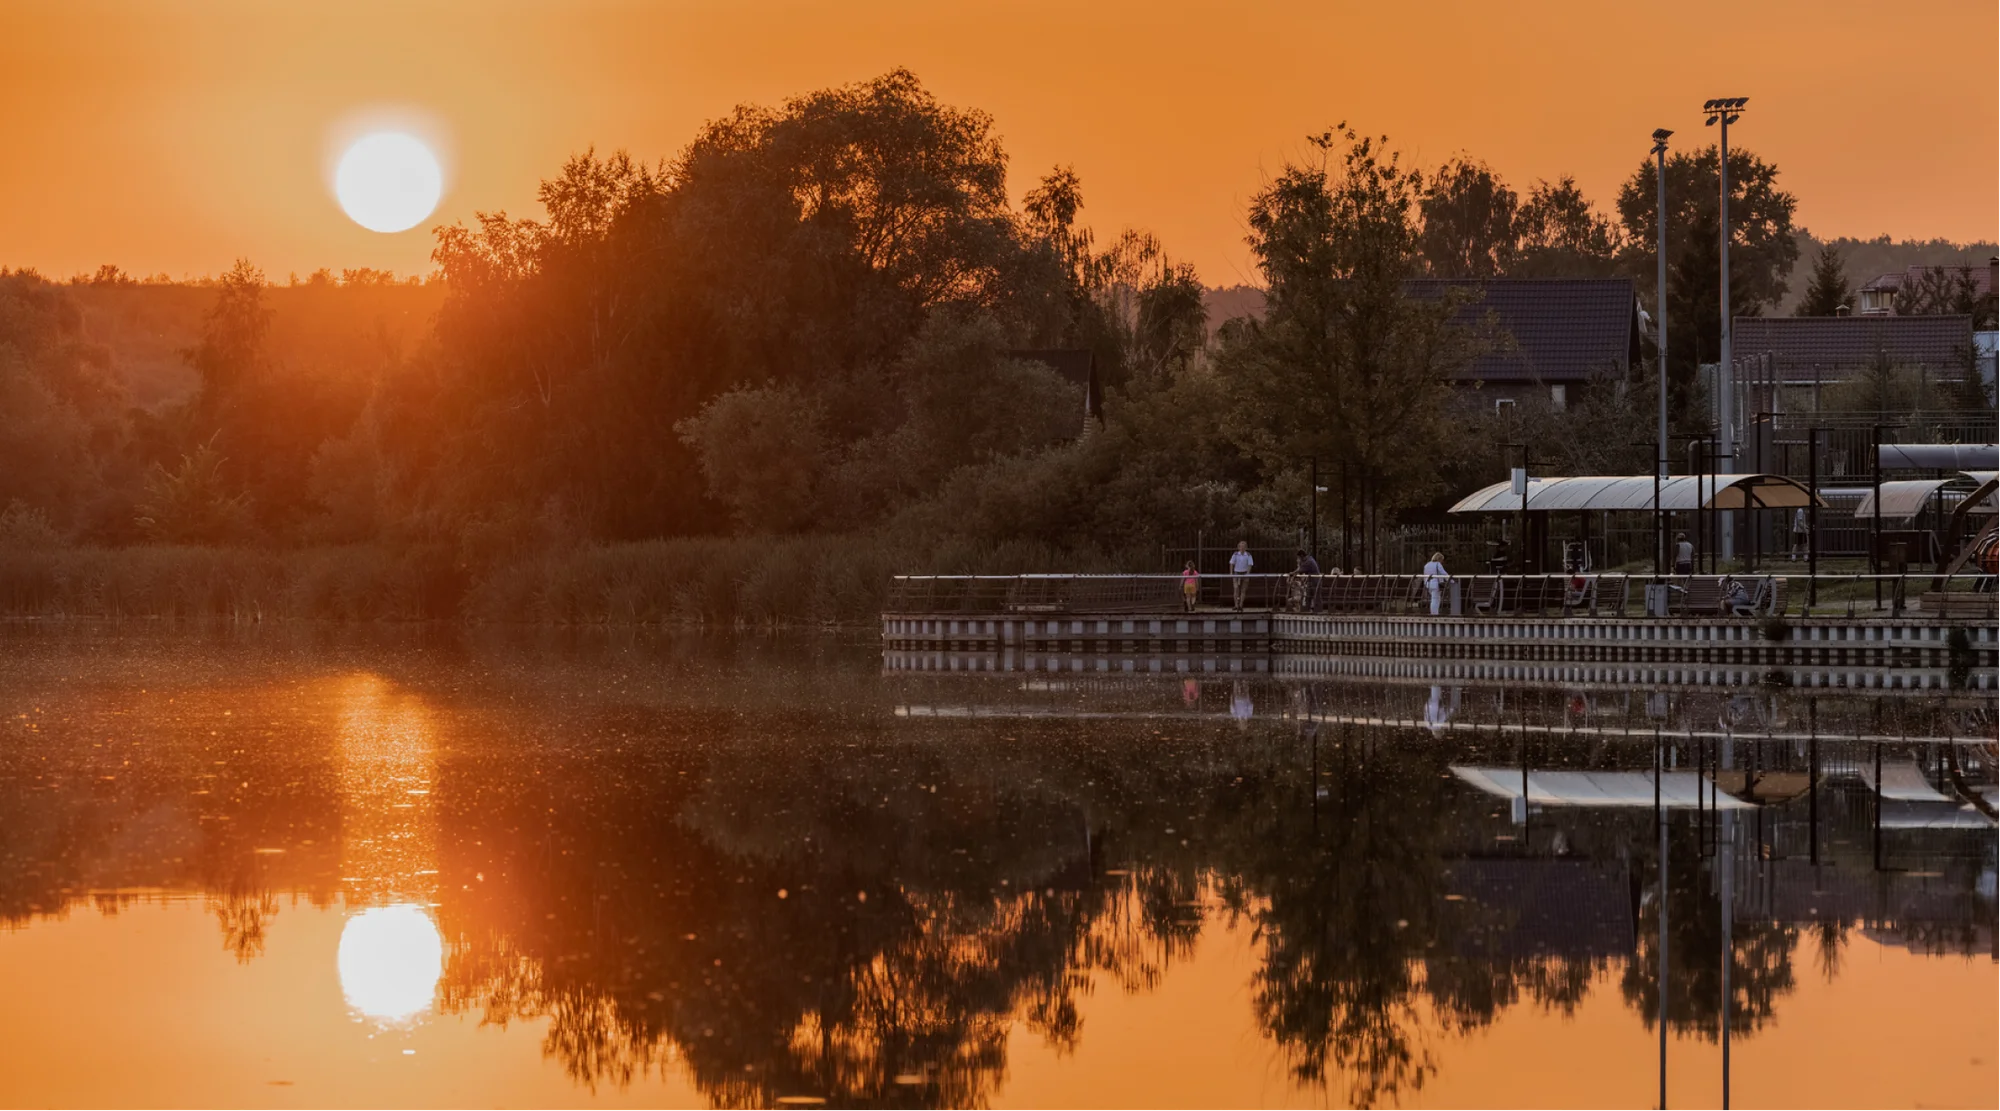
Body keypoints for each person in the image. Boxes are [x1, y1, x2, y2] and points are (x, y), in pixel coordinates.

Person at [1422, 550, 1451, 615]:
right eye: (1442, 560)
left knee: (1434, 599)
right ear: (1439, 559)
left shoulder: (1427, 564)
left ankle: (1434, 612)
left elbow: (1424, 575)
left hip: (1428, 584)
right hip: (1435, 584)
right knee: (1435, 599)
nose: (1442, 561)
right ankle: (1434, 614)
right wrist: (1451, 580)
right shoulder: (1438, 564)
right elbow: (1443, 573)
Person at [1229, 541, 1254, 610]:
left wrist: (1247, 574)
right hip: (1236, 573)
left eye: (1244, 547)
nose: (1242, 548)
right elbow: (1231, 563)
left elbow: (1250, 565)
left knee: (1243, 589)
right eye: (1241, 546)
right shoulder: (1235, 554)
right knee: (1236, 588)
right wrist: (1231, 573)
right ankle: (1236, 605)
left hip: (1245, 573)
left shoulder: (1248, 555)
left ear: (1246, 548)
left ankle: (1241, 605)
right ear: (1239, 547)